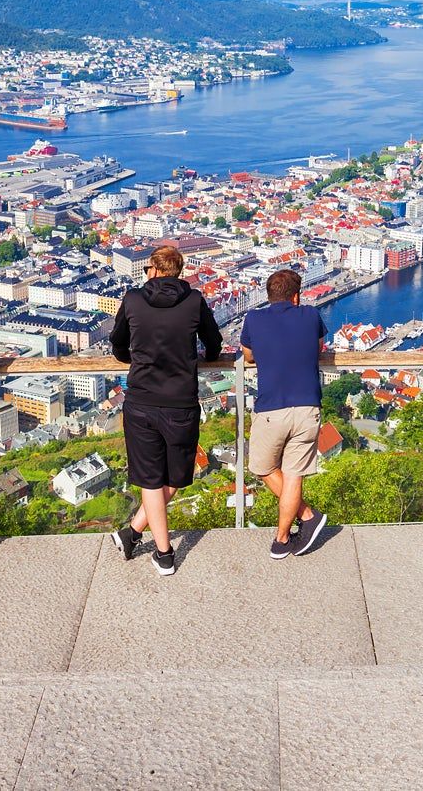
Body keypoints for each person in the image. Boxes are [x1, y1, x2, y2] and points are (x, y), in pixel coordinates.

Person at [109, 244, 223, 577]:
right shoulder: (194, 301)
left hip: (142, 401)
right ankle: (163, 551)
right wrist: (200, 359)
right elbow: (214, 344)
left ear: (154, 270)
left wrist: (134, 358)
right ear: (177, 271)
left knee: (151, 478)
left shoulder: (133, 300)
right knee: (175, 477)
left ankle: (136, 534)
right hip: (181, 402)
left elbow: (118, 344)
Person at [240, 269, 330, 560]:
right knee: (293, 474)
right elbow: (319, 347)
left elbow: (248, 355)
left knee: (263, 468)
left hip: (271, 408)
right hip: (307, 407)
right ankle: (284, 537)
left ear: (268, 295)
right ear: (296, 296)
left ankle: (305, 519)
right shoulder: (311, 315)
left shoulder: (254, 318)